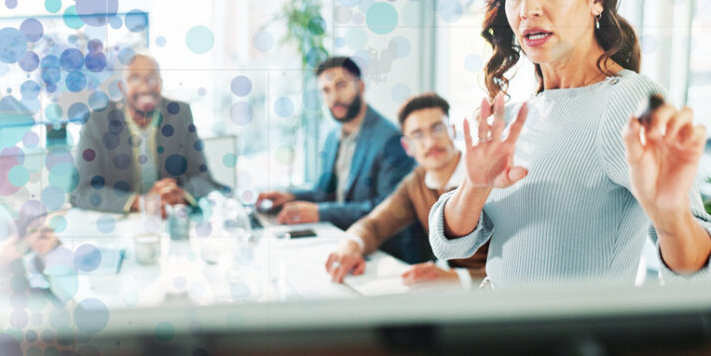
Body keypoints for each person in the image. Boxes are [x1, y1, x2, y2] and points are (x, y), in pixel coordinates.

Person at [429, 0, 711, 289]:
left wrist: (670, 217)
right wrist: (475, 185)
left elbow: (697, 272)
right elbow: (449, 243)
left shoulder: (628, 100)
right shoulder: (516, 116)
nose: (528, 9)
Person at [257, 56, 420, 262]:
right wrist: (290, 197)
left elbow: (387, 207)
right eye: (326, 90)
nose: (333, 97)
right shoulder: (333, 137)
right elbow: (324, 193)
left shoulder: (391, 139)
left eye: (341, 85)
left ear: (360, 86)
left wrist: (320, 213)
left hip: (385, 252)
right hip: (342, 241)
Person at [325, 93, 488, 284]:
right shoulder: (415, 182)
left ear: (452, 130)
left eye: (437, 128)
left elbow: (517, 268)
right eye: (418, 135)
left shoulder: (485, 177)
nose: (430, 142)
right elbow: (375, 224)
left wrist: (458, 279)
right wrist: (351, 244)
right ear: (407, 146)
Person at [72, 53, 226, 216]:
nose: (145, 87)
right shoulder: (97, 121)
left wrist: (180, 195)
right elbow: (83, 191)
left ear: (161, 83)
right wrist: (142, 203)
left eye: (152, 78)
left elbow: (202, 178)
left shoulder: (180, 114)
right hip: (121, 224)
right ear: (121, 87)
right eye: (135, 78)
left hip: (170, 218)